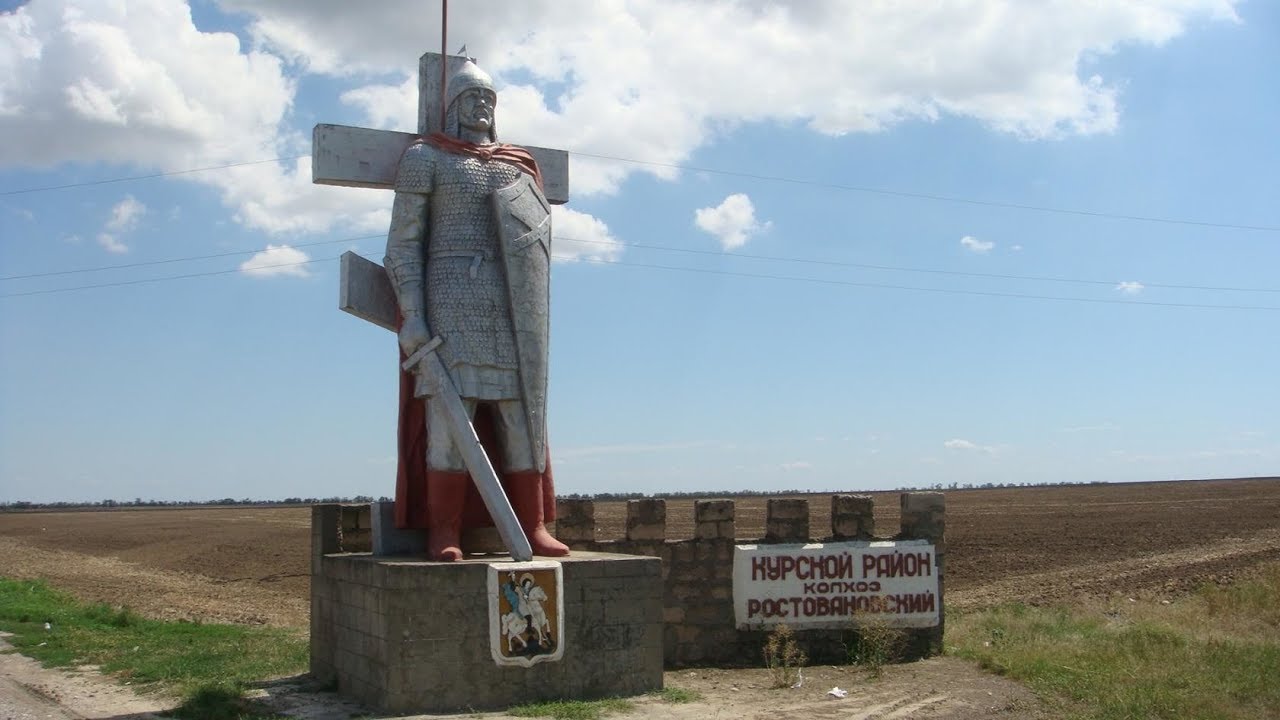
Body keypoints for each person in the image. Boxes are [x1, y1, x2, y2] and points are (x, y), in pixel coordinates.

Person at [383, 60, 568, 561]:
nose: (481, 105)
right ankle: (445, 530)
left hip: (511, 306)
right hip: (450, 302)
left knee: (521, 415)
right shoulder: (428, 158)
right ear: (451, 108)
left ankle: (532, 526)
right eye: (470, 97)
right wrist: (412, 314)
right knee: (450, 417)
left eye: (488, 97)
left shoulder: (517, 164)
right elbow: (403, 244)